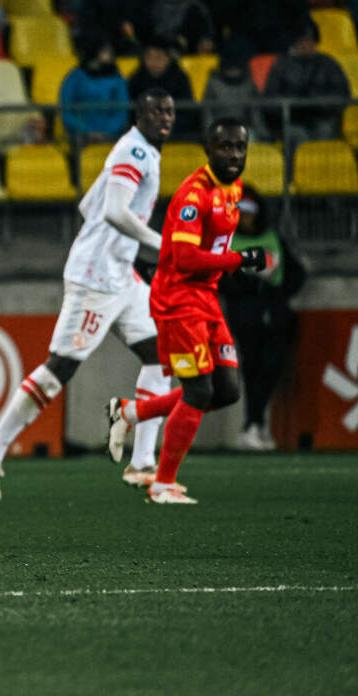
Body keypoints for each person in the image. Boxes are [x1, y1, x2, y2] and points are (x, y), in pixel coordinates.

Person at [0, 90, 177, 498]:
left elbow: (89, 206)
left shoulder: (141, 152)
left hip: (122, 275)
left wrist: (124, 250)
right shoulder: (134, 151)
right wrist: (162, 244)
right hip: (96, 279)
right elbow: (114, 212)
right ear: (139, 114)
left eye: (169, 111)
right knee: (59, 369)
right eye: (155, 110)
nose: (164, 117)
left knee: (161, 354)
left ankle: (142, 462)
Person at [106, 118, 270, 504]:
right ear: (208, 150)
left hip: (205, 297)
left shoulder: (234, 188)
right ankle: (162, 484)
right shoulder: (194, 195)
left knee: (227, 390)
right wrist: (239, 259)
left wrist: (229, 262)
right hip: (178, 299)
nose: (234, 155)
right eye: (225, 147)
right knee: (198, 390)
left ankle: (131, 413)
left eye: (240, 147)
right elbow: (184, 257)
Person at [220, 184, 305, 451]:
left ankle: (254, 424)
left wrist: (279, 291)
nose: (246, 216)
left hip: (275, 315)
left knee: (271, 367)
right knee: (252, 368)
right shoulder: (228, 242)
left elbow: (296, 273)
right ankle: (254, 425)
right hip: (246, 315)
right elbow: (219, 278)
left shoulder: (272, 238)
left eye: (250, 210)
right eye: (241, 210)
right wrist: (244, 287)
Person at [262, 21, 350, 144]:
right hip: (292, 121)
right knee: (295, 134)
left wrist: (318, 103)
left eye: (309, 41)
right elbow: (270, 98)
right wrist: (294, 104)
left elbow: (342, 94)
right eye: (301, 41)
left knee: (325, 131)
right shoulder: (282, 65)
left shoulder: (328, 64)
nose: (305, 45)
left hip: (323, 119)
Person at [60, 34, 130, 148]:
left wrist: (106, 132)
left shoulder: (117, 78)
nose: (110, 54)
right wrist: (87, 131)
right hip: (80, 134)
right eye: (105, 50)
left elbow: (122, 111)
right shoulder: (74, 77)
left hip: (111, 135)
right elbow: (66, 111)